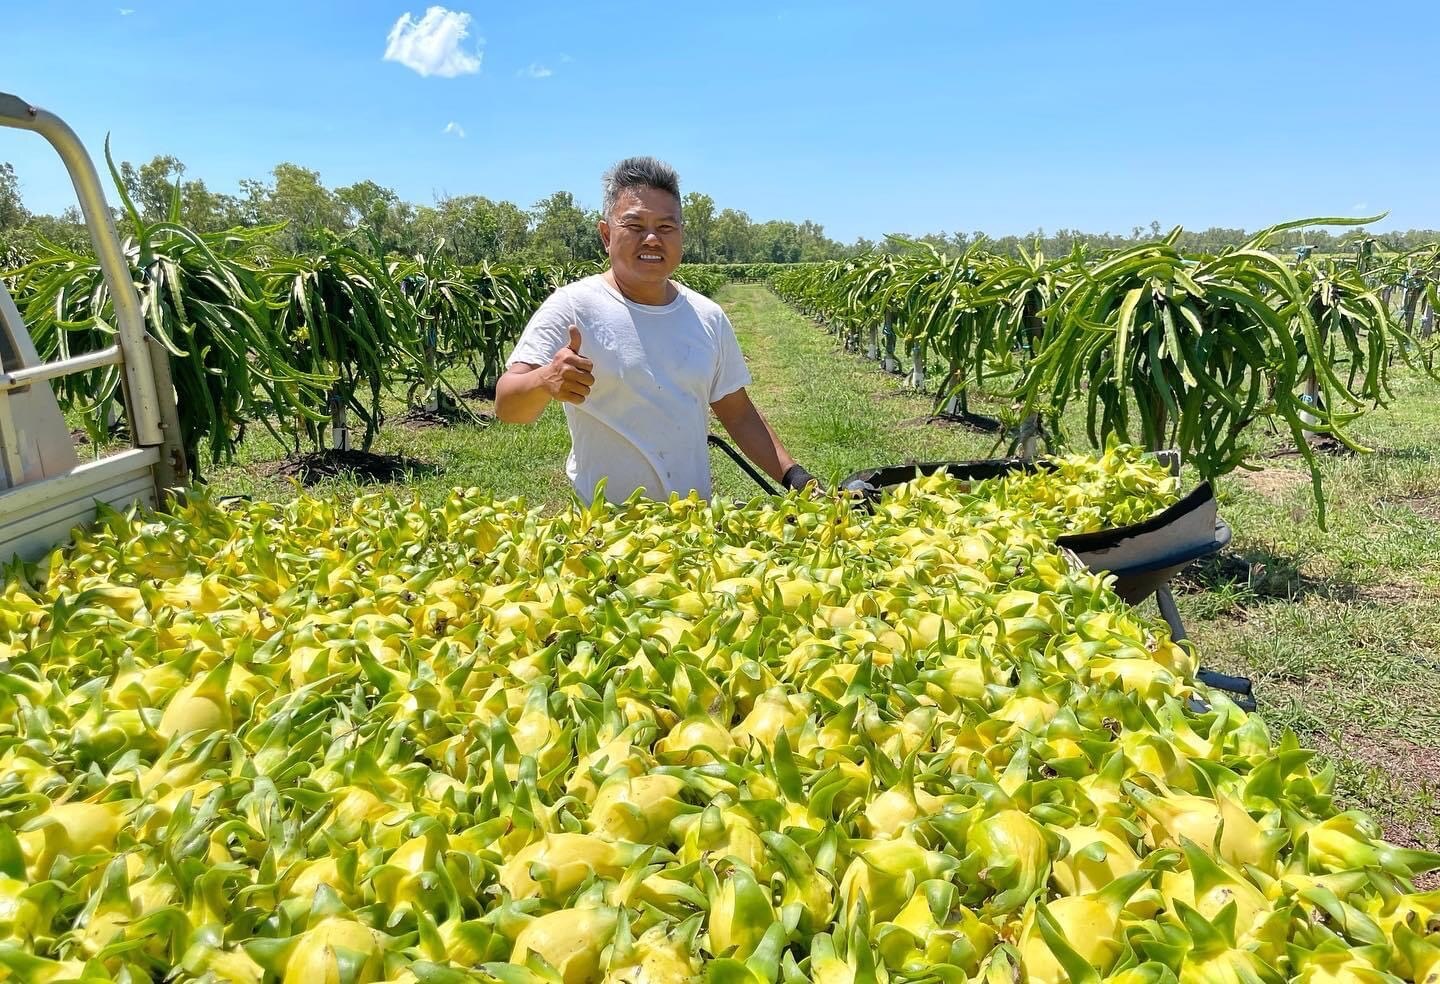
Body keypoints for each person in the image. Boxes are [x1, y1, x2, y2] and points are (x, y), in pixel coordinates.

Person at [495, 156, 816, 504]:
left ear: (681, 235)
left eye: (665, 227)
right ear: (606, 235)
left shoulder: (707, 316)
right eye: (634, 226)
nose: (651, 239)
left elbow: (738, 414)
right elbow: (507, 407)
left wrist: (796, 478)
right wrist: (545, 381)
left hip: (691, 529)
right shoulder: (574, 308)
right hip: (607, 534)